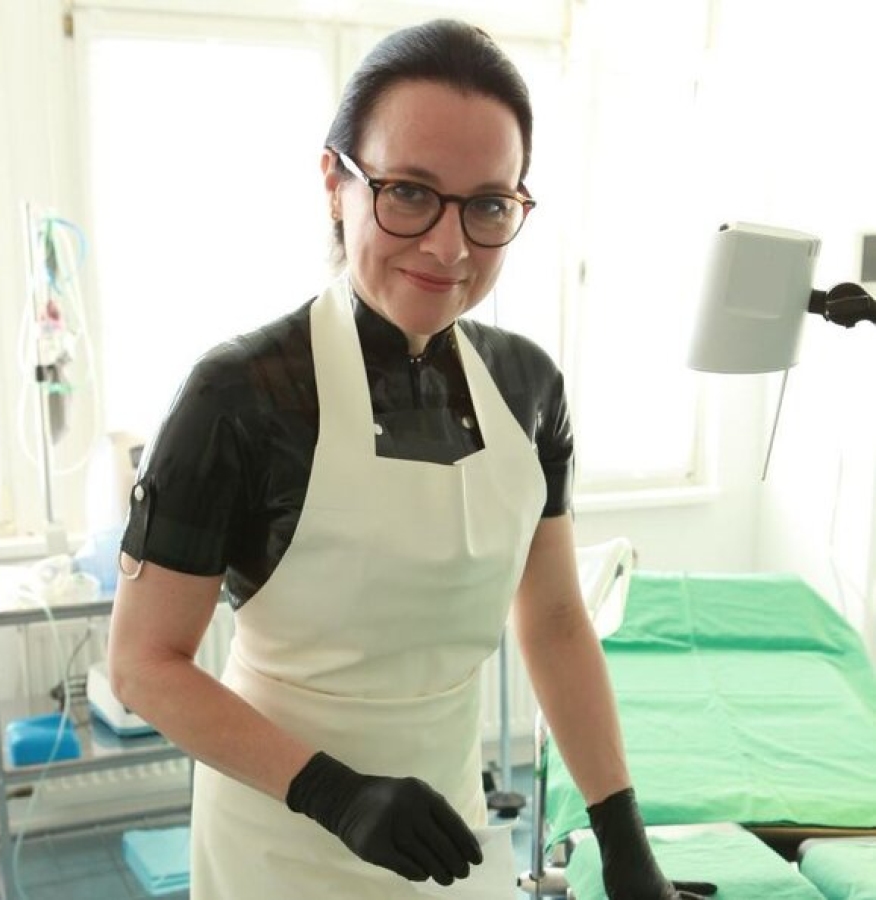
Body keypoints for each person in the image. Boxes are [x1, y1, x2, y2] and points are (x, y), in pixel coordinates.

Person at [108, 18, 716, 900]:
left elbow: (553, 620)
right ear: (336, 183)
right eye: (409, 193)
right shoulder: (240, 396)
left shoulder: (528, 389)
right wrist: (332, 792)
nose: (449, 247)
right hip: (277, 833)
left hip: (446, 830)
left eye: (488, 205)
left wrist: (624, 841)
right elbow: (143, 664)